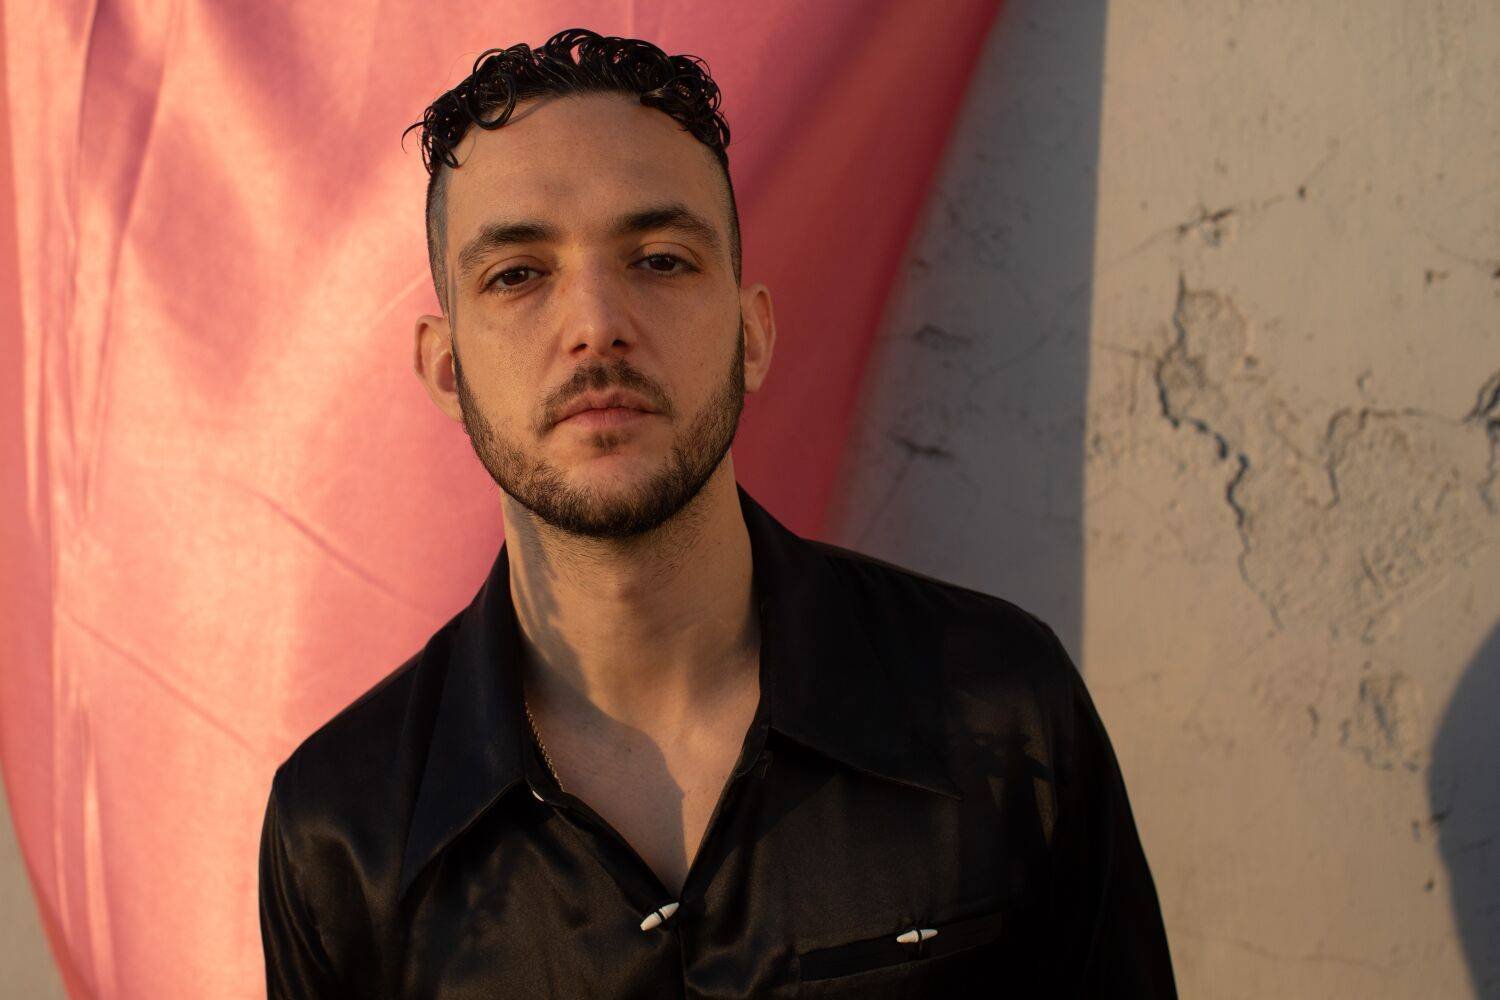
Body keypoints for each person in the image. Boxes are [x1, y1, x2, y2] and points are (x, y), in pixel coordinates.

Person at [257, 27, 1177, 999]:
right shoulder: (342, 833)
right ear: (448, 369)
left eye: (659, 259)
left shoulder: (1003, 708)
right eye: (518, 273)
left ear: (752, 336)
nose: (597, 325)